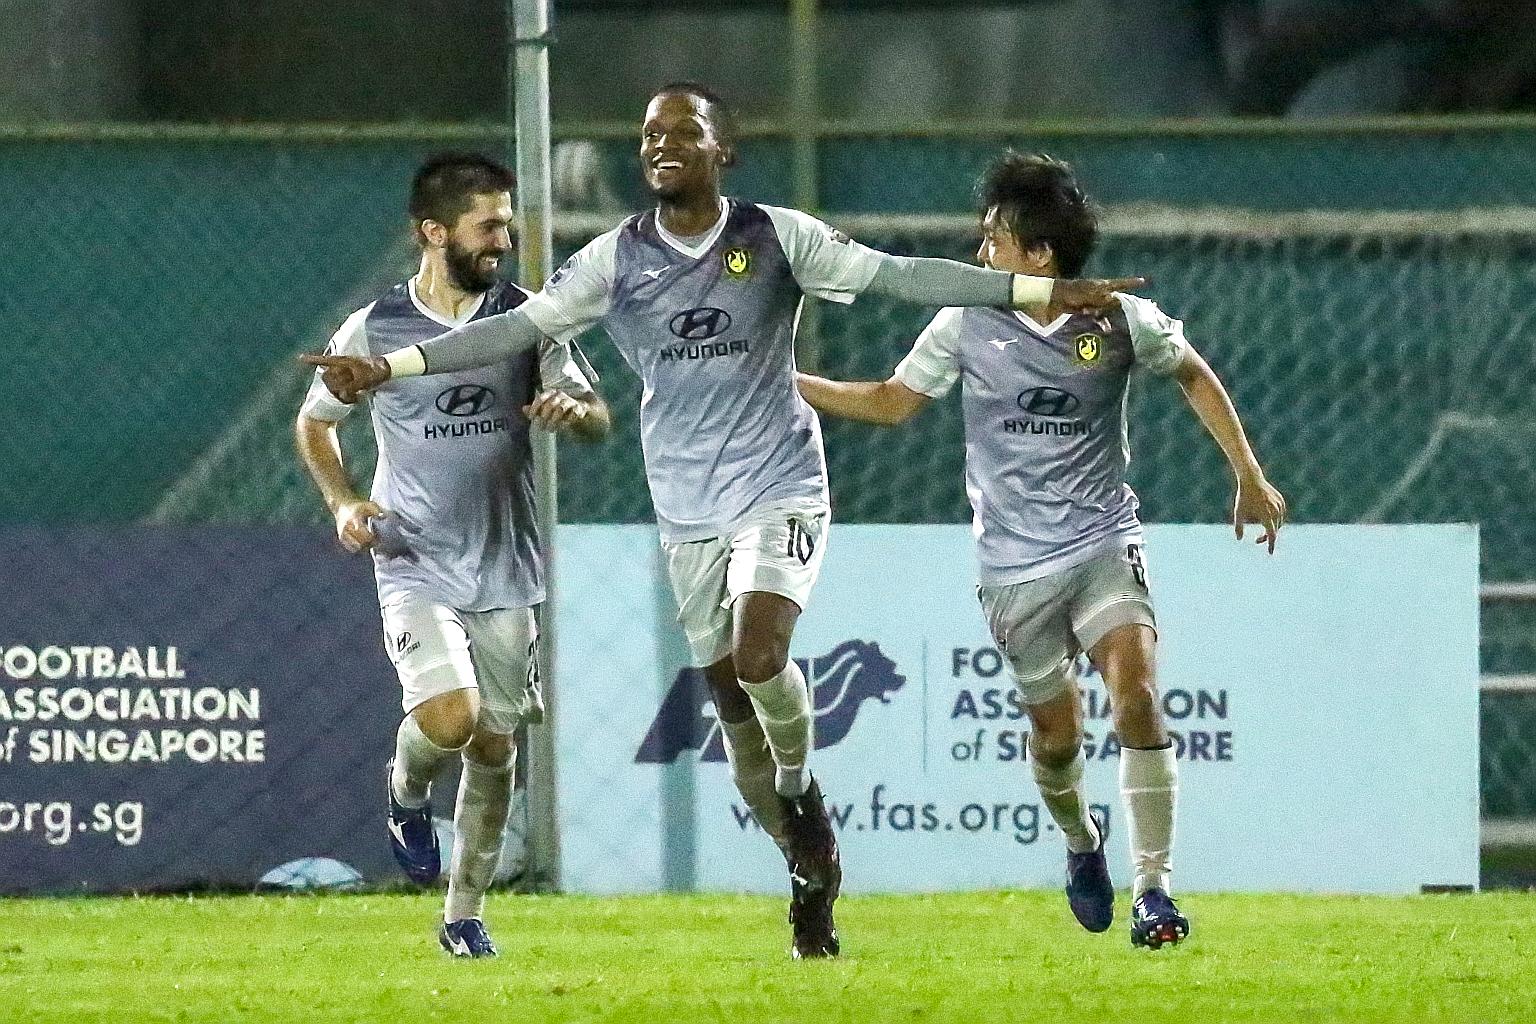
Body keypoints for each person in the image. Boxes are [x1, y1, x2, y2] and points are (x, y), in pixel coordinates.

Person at [302, 83, 1145, 960]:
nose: (660, 145)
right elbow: (515, 329)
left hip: (780, 484)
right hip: (686, 512)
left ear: (722, 150)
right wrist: (393, 367)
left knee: (760, 653)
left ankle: (800, 786)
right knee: (732, 714)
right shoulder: (612, 260)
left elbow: (897, 275)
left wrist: (1026, 290)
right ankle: (807, 878)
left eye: (681, 131)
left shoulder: (777, 235)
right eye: (647, 134)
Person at [796, 152, 1286, 949]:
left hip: (1101, 540)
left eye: (993, 239)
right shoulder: (964, 318)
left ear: (1038, 254)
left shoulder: (1117, 319)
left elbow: (1193, 372)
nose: (980, 252)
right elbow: (890, 404)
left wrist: (1249, 474)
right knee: (1056, 743)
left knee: (1137, 691)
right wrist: (791, 382)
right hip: (1013, 568)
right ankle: (1082, 842)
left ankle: (1155, 893)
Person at [295, 152, 610, 959]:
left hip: (505, 561)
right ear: (435, 233)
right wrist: (343, 502)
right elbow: (315, 423)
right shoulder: (374, 328)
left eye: (507, 223)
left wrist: (572, 411)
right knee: (451, 717)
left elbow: (599, 415)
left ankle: (462, 915)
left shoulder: (527, 318)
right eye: (489, 225)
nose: (503, 239)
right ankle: (405, 788)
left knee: (497, 746)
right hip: (413, 553)